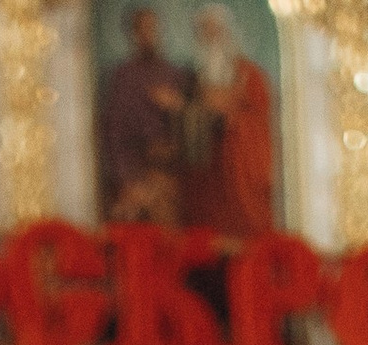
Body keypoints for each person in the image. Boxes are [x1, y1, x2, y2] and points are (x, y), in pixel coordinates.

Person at [178, 7, 274, 238]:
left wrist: (235, 120)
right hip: (210, 162)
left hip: (242, 159)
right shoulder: (194, 78)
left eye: (215, 30)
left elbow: (260, 115)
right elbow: (192, 113)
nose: (211, 37)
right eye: (205, 32)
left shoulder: (250, 74)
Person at [97, 1, 188, 222]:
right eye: (143, 29)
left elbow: (191, 124)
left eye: (153, 28)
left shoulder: (174, 74)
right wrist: (127, 179)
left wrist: (178, 107)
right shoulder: (123, 76)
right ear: (134, 34)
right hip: (134, 171)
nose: (149, 34)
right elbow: (113, 132)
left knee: (169, 233)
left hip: (170, 171)